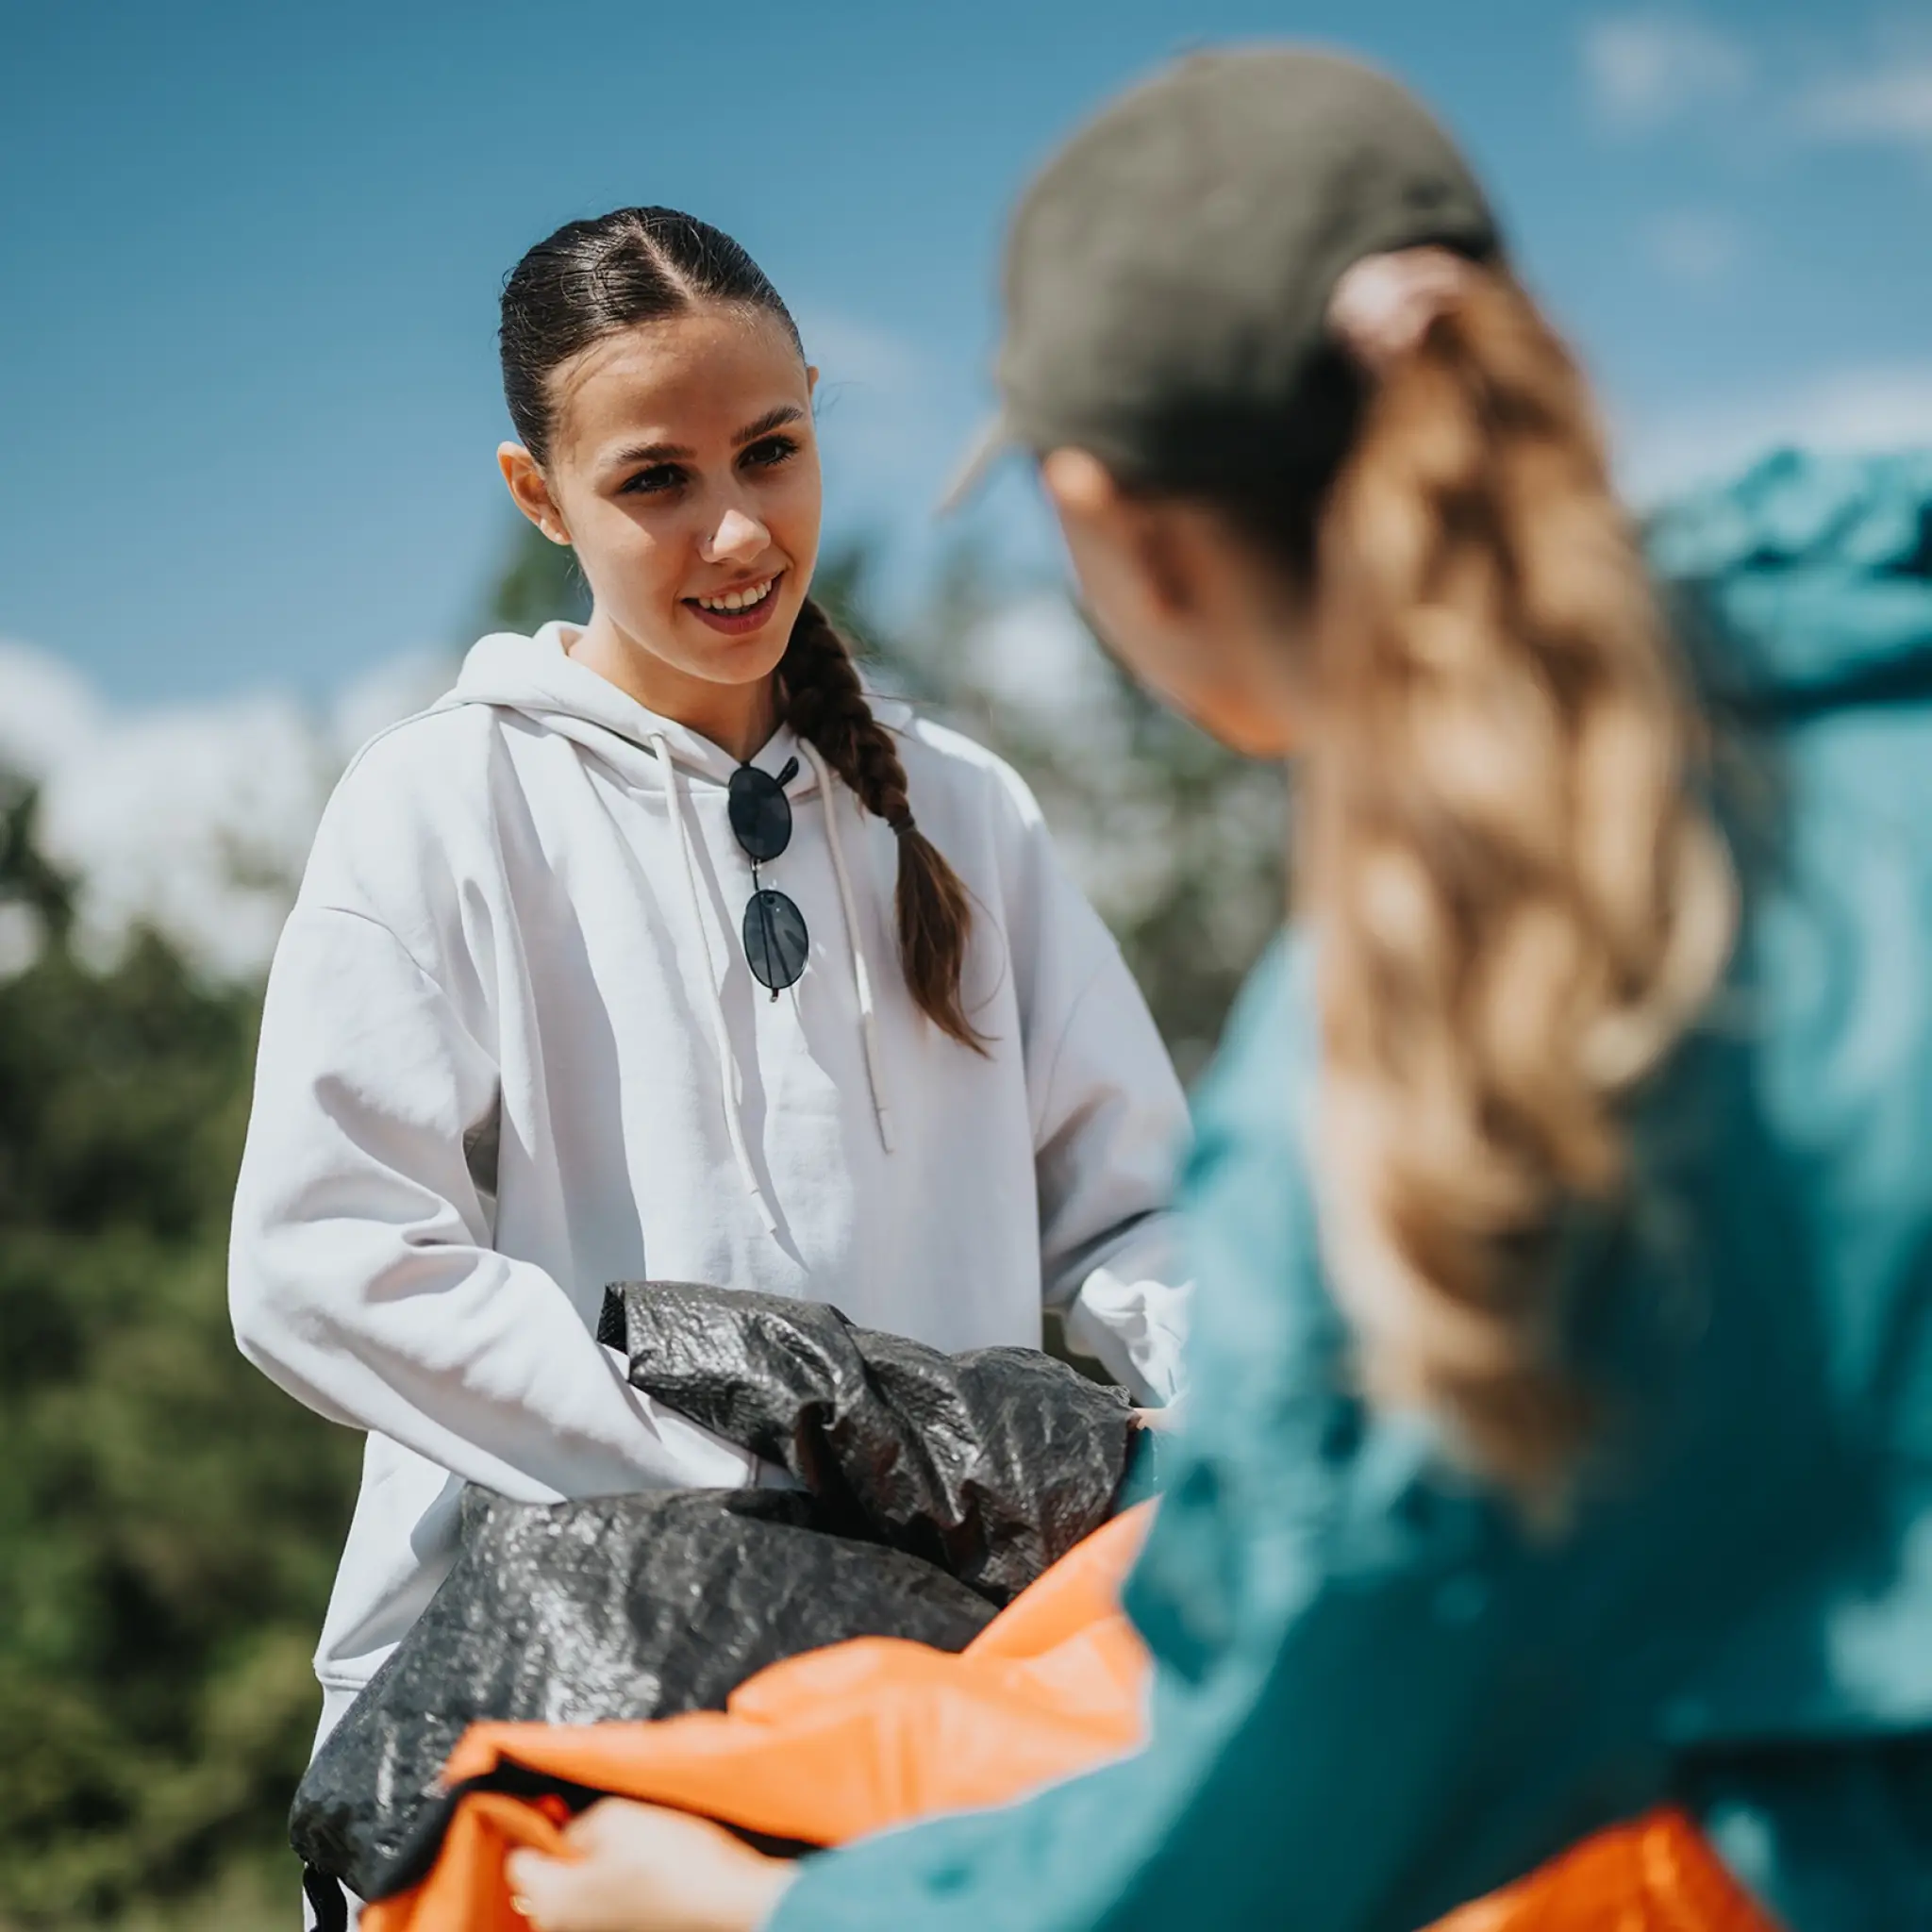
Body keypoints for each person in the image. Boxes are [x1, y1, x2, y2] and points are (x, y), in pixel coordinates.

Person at [499, 50, 1932, 1932]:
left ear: (1122, 528)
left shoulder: (1451, 1018)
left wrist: (746, 1915)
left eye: (773, 449)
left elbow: (1277, 1802)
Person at [226, 208, 1191, 1779]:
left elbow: (1139, 1211)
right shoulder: (442, 805)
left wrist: (1253, 1431)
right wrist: (741, 1474)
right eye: (656, 480)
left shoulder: (961, 805)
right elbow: (320, 1264)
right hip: (557, 1692)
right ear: (538, 494)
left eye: (771, 449)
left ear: (816, 405)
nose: (737, 532)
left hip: (939, 1691)